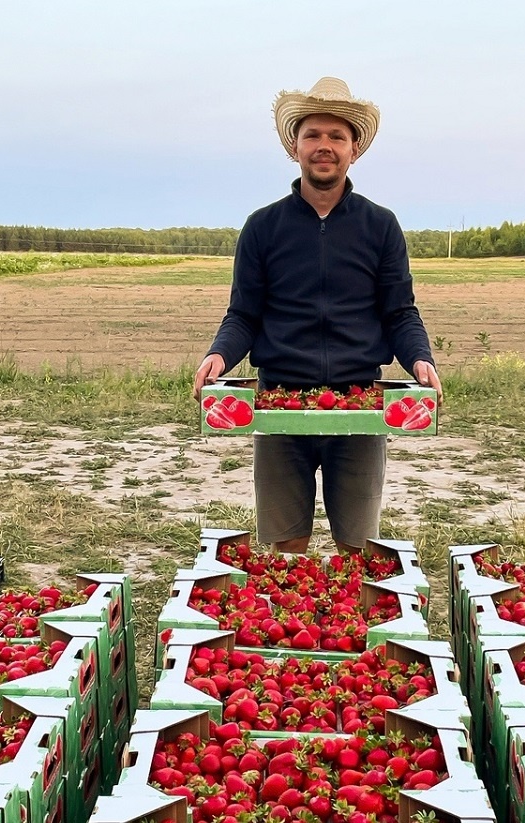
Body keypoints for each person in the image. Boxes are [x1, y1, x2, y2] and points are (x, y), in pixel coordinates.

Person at [192, 76, 443, 553]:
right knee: (285, 548)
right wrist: (219, 354)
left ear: (354, 150)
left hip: (358, 404)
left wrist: (420, 358)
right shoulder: (263, 227)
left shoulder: (380, 225)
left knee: (359, 548)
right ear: (295, 147)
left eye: (336, 137)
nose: (323, 146)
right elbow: (244, 313)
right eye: (313, 135)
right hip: (281, 402)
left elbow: (400, 311)